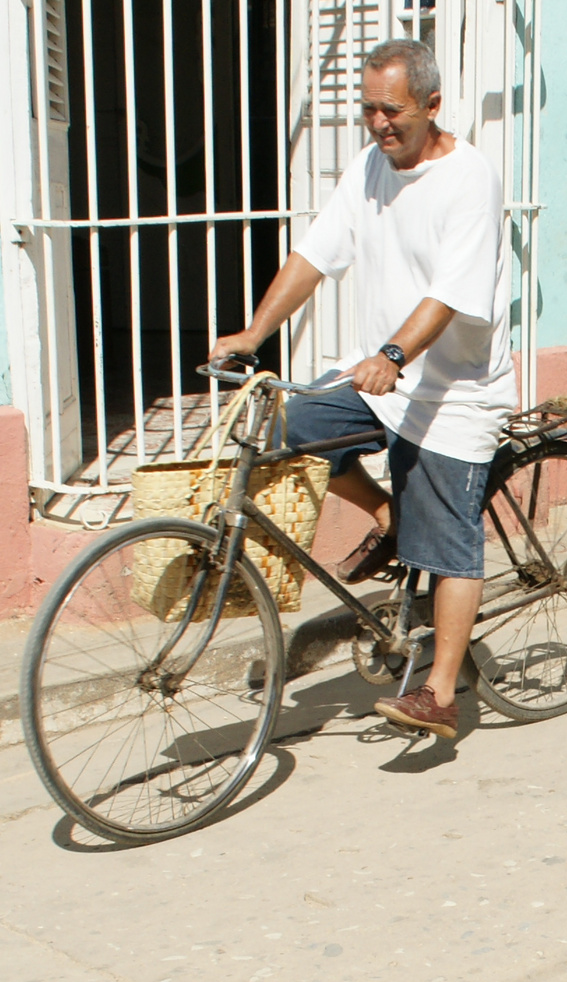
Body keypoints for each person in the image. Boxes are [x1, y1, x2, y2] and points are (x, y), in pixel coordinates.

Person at [209, 38, 512, 740]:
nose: (379, 124)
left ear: (432, 106)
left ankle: (438, 693)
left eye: (393, 111)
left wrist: (393, 351)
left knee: (447, 542)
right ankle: (387, 513)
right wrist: (253, 334)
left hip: (451, 389)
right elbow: (314, 253)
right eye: (368, 109)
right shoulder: (369, 167)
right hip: (382, 378)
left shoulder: (468, 178)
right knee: (299, 425)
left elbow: (449, 294)